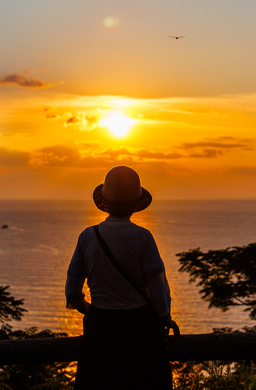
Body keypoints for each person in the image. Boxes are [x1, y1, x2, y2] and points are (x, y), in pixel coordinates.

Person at [65, 166, 180, 390]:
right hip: (139, 328)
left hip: (100, 328)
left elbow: (72, 291)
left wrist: (89, 309)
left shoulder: (87, 236)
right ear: (134, 205)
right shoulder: (143, 237)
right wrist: (164, 316)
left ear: (105, 202)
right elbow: (157, 284)